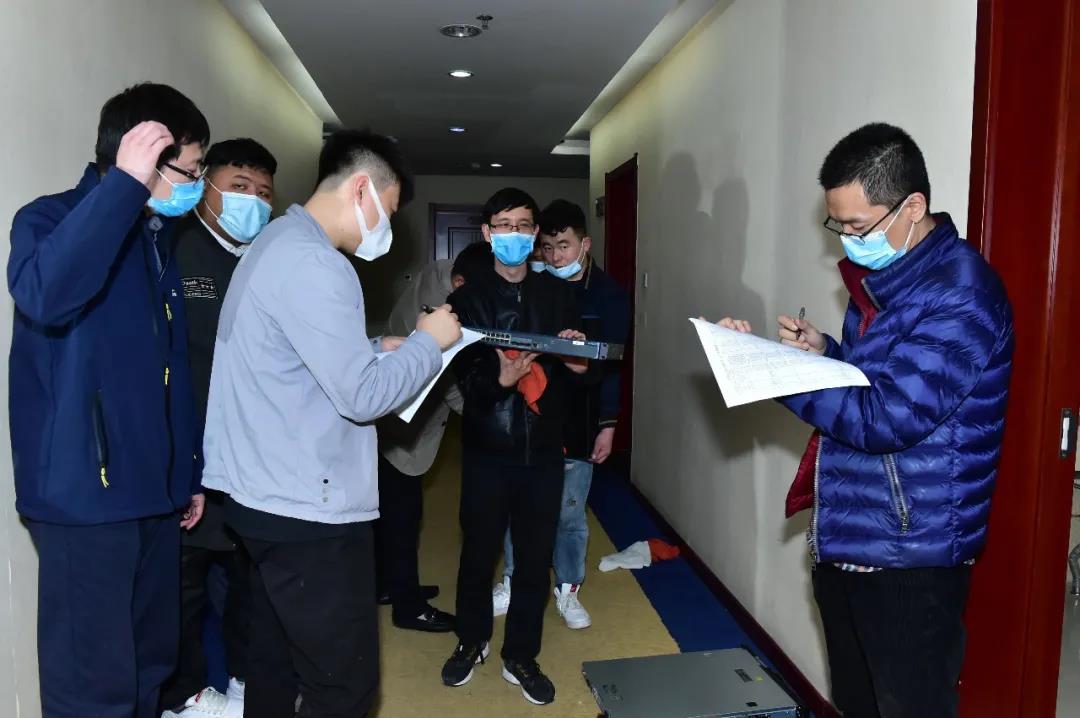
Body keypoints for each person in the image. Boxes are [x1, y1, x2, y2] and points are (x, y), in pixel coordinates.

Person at [716, 123, 1014, 718]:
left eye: (857, 226)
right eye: (838, 226)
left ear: (913, 208)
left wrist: (775, 373)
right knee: (857, 702)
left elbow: (887, 417)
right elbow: (871, 380)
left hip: (910, 552)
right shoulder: (891, 282)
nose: (848, 241)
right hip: (854, 530)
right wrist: (824, 352)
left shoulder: (961, 294)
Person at [201, 128, 461, 718]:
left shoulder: (275, 241)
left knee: (273, 665)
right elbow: (363, 398)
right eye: (387, 212)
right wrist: (428, 342)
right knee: (343, 686)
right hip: (307, 512)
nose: (385, 230)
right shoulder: (319, 263)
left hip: (260, 495)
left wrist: (374, 346)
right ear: (362, 189)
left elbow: (292, 354)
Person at [8, 82, 208, 718]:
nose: (197, 184)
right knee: (91, 686)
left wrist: (187, 474)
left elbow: (171, 369)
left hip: (154, 495)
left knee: (149, 663)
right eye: (190, 170)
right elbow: (46, 295)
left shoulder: (155, 240)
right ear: (143, 158)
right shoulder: (50, 219)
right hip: (84, 500)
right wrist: (123, 187)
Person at [441, 188, 593, 706]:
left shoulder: (557, 296)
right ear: (488, 233)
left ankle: (521, 655)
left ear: (534, 234)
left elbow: (579, 375)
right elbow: (464, 380)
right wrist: (500, 380)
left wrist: (577, 364)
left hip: (543, 450)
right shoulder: (467, 300)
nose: (515, 234)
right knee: (477, 553)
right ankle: (471, 640)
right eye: (504, 225)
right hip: (487, 447)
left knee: (533, 559)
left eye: (524, 225)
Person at [160, 138, 278, 716]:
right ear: (205, 184)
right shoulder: (173, 248)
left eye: (263, 193)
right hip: (189, 453)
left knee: (247, 577)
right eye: (239, 187)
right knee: (183, 585)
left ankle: (241, 677)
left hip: (250, 454)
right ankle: (182, 693)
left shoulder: (265, 260)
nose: (251, 201)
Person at [494, 200, 631, 630]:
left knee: (570, 513)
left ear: (585, 244)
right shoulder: (532, 286)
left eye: (564, 247)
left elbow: (612, 369)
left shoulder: (609, 296)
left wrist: (608, 426)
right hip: (529, 415)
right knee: (519, 507)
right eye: (548, 248)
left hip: (580, 418)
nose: (555, 257)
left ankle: (568, 588)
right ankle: (513, 579)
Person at [375, 241, 494, 634]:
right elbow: (445, 380)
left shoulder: (444, 271)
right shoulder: (437, 311)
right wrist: (485, 415)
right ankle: (408, 606)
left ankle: (388, 584)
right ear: (459, 284)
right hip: (402, 420)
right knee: (402, 514)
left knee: (389, 509)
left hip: (393, 408)